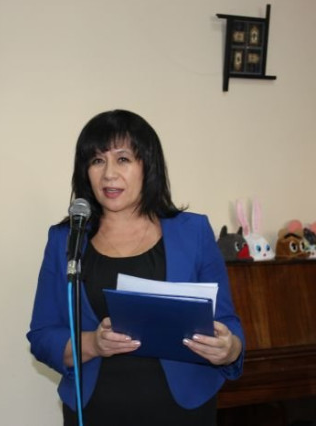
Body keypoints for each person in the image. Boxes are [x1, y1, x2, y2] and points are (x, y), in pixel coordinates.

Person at [27, 109, 245, 426]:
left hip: (183, 410)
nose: (109, 174)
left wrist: (230, 348)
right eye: (97, 160)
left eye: (123, 159)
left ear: (148, 165)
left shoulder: (193, 232)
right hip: (95, 409)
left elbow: (227, 322)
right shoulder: (65, 239)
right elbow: (42, 335)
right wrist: (93, 344)